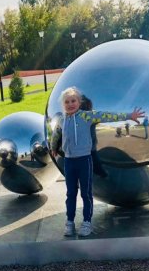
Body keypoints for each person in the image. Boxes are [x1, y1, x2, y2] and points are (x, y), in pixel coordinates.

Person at [52, 86, 144, 237]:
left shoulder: (87, 116)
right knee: (71, 193)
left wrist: (129, 115)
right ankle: (69, 222)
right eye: (67, 102)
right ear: (63, 105)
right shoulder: (62, 120)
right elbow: (56, 134)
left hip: (84, 160)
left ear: (79, 102)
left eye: (73, 101)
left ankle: (87, 222)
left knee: (86, 193)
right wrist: (53, 147)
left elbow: (107, 116)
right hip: (69, 162)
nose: (70, 104)